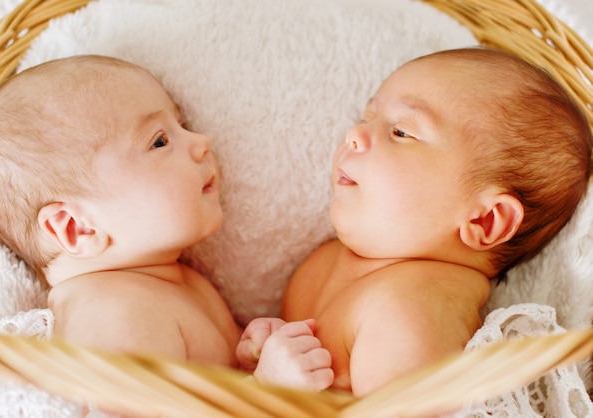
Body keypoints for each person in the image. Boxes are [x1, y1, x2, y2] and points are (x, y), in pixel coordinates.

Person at [239, 47, 593, 397]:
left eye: (401, 132)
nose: (354, 135)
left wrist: (271, 392)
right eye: (366, 118)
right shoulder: (354, 265)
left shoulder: (412, 310)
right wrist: (265, 360)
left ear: (485, 220)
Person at [0, 54, 333, 393]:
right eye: (159, 141)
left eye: (182, 125)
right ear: (77, 229)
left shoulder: (162, 283)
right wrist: (267, 388)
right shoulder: (114, 314)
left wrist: (250, 359)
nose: (202, 142)